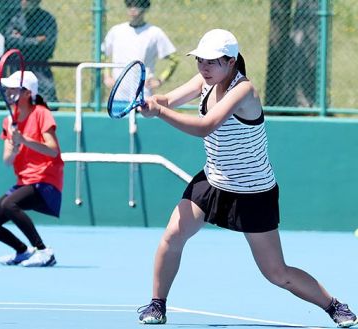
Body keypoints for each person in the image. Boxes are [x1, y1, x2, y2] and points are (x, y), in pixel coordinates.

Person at [136, 29, 358, 327]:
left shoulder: (244, 91)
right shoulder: (205, 80)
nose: (204, 66)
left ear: (231, 62)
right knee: (172, 236)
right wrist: (153, 102)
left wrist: (160, 113)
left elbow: (205, 127)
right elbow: (168, 98)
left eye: (212, 61)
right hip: (213, 180)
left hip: (252, 191)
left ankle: (334, 306)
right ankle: (156, 305)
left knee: (276, 273)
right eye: (201, 60)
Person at [0, 70, 63, 267]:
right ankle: (23, 251)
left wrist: (25, 139)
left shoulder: (41, 113)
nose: (8, 92)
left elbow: (53, 150)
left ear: (27, 93)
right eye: (7, 88)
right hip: (24, 181)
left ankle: (43, 251)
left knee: (9, 204)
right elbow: (7, 160)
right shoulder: (9, 121)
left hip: (46, 180)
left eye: (14, 88)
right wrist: (15, 145)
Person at [102, 0, 179, 97]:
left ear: (145, 8)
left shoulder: (155, 32)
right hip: (118, 92)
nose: (133, 9)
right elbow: (103, 55)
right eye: (130, 5)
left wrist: (160, 80)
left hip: (143, 92)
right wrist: (107, 76)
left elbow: (175, 60)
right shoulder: (116, 31)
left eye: (138, 5)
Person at [5, 0, 58, 105]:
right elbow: (10, 42)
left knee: (49, 98)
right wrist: (36, 41)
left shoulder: (47, 19)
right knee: (17, 99)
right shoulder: (14, 18)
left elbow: (48, 46)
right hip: (18, 65)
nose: (24, 2)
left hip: (40, 66)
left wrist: (22, 40)